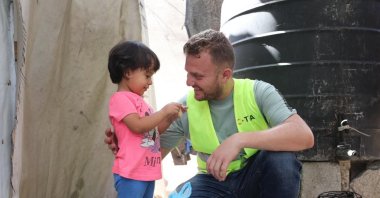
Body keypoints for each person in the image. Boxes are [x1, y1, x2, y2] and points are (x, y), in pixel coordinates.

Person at [105, 29, 314, 197]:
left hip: (255, 179)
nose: (188, 82)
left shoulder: (258, 92)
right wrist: (128, 143)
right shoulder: (184, 108)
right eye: (188, 73)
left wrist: (239, 140)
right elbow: (152, 152)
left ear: (225, 75)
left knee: (282, 160)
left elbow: (303, 136)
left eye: (197, 76)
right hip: (211, 183)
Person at [107, 41, 185, 198]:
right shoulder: (120, 99)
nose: (150, 82)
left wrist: (169, 118)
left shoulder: (141, 102)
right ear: (128, 72)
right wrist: (163, 112)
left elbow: (152, 131)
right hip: (131, 172)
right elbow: (137, 126)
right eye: (147, 75)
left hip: (147, 171)